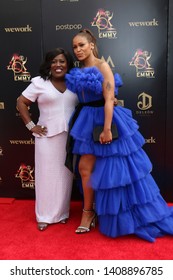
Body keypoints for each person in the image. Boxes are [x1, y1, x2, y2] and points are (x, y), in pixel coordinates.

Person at [65, 29, 173, 242]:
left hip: (106, 120)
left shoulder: (103, 66)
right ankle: (88, 213)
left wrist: (106, 128)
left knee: (115, 171)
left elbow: (108, 99)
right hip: (85, 121)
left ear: (92, 45)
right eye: (74, 47)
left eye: (81, 45)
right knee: (85, 168)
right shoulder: (78, 69)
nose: (78, 50)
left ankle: (120, 214)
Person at [17, 48, 78, 231]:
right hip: (46, 137)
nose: (58, 65)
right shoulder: (39, 83)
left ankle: (61, 214)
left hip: (69, 138)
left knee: (64, 176)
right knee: (45, 177)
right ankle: (44, 215)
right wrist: (31, 125)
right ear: (48, 64)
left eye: (62, 61)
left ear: (68, 64)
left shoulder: (74, 83)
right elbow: (21, 102)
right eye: (54, 61)